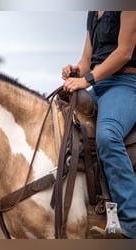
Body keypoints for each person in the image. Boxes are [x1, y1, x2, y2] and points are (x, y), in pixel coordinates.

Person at [62, 11, 136, 239]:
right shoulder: (94, 12)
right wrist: (75, 72)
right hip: (99, 85)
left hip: (126, 83)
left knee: (107, 136)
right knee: (57, 121)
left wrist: (87, 79)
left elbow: (124, 52)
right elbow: (87, 61)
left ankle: (131, 223)